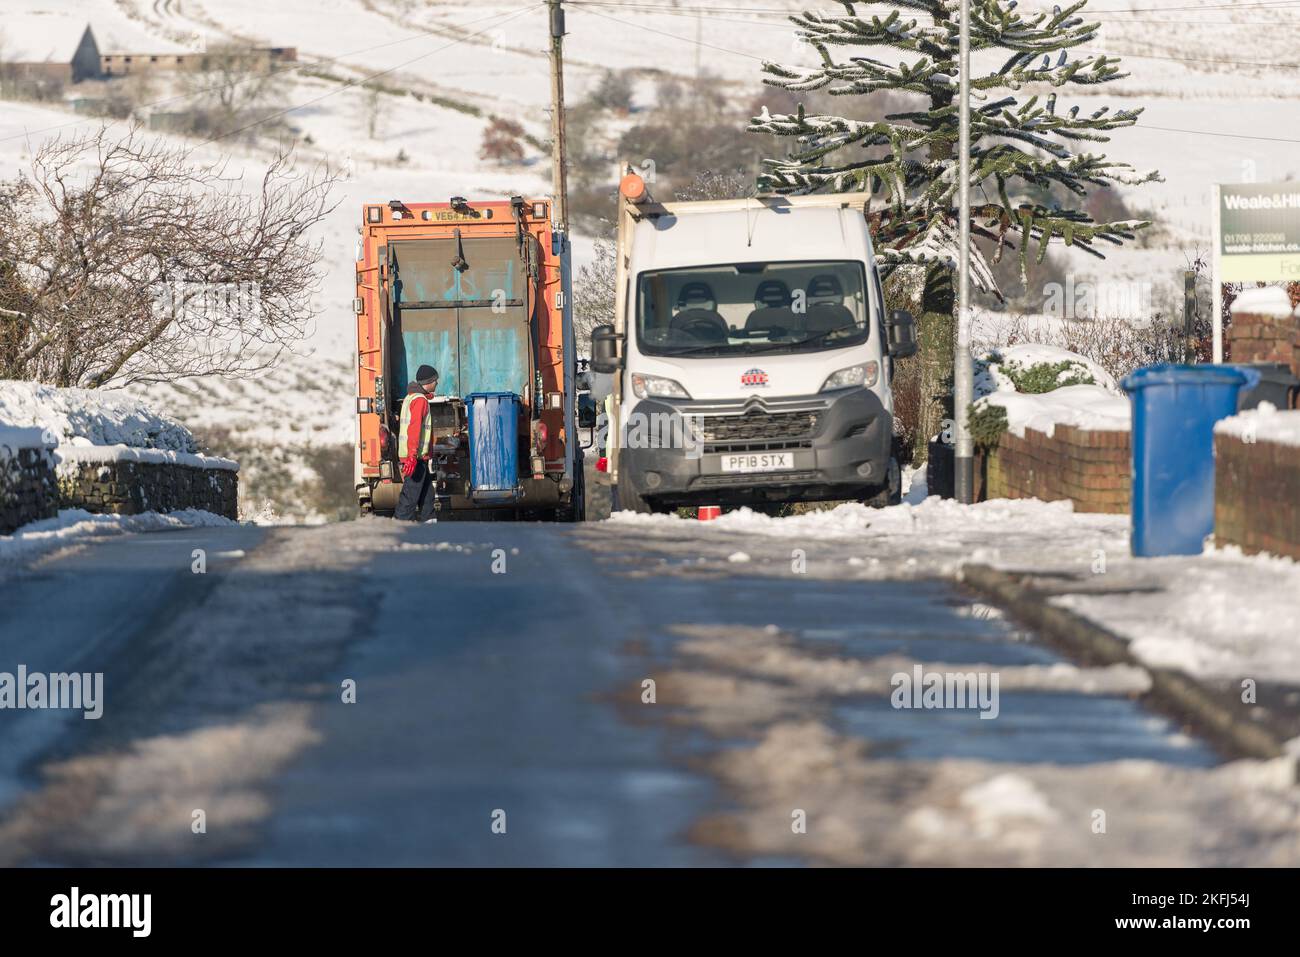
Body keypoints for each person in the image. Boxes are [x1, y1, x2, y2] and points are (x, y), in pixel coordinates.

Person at [395, 364, 440, 521]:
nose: (437, 383)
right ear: (429, 381)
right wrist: (413, 455)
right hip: (414, 457)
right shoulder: (420, 400)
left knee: (427, 495)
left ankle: (430, 525)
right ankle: (398, 526)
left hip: (417, 457)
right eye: (436, 380)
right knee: (410, 497)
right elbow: (414, 429)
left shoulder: (411, 397)